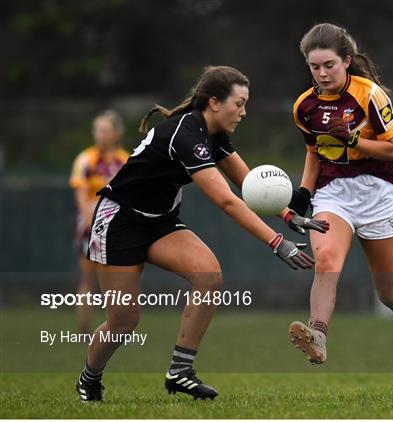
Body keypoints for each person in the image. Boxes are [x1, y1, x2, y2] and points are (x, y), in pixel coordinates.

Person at [75, 66, 329, 402]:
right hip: (119, 223)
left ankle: (180, 372)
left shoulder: (215, 134)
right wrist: (277, 242)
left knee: (208, 275)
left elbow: (248, 184)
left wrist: (287, 214)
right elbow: (226, 200)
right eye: (239, 103)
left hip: (160, 222)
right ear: (214, 102)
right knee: (124, 321)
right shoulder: (186, 134)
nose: (244, 111)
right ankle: (89, 379)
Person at [284, 23, 393, 374]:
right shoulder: (305, 106)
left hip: (377, 191)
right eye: (314, 67)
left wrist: (352, 141)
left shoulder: (370, 95)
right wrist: (304, 193)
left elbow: (390, 151)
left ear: (346, 60)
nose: (322, 73)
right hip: (334, 193)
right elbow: (314, 153)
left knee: (389, 293)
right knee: (327, 260)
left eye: (329, 65)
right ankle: (317, 334)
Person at [69, 110, 130, 335]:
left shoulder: (125, 160)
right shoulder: (86, 159)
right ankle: (83, 330)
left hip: (117, 226)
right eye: (97, 130)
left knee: (114, 280)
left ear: (116, 133)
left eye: (105, 130)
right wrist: (91, 224)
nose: (100, 134)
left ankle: (113, 329)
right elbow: (82, 198)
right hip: (89, 226)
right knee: (89, 277)